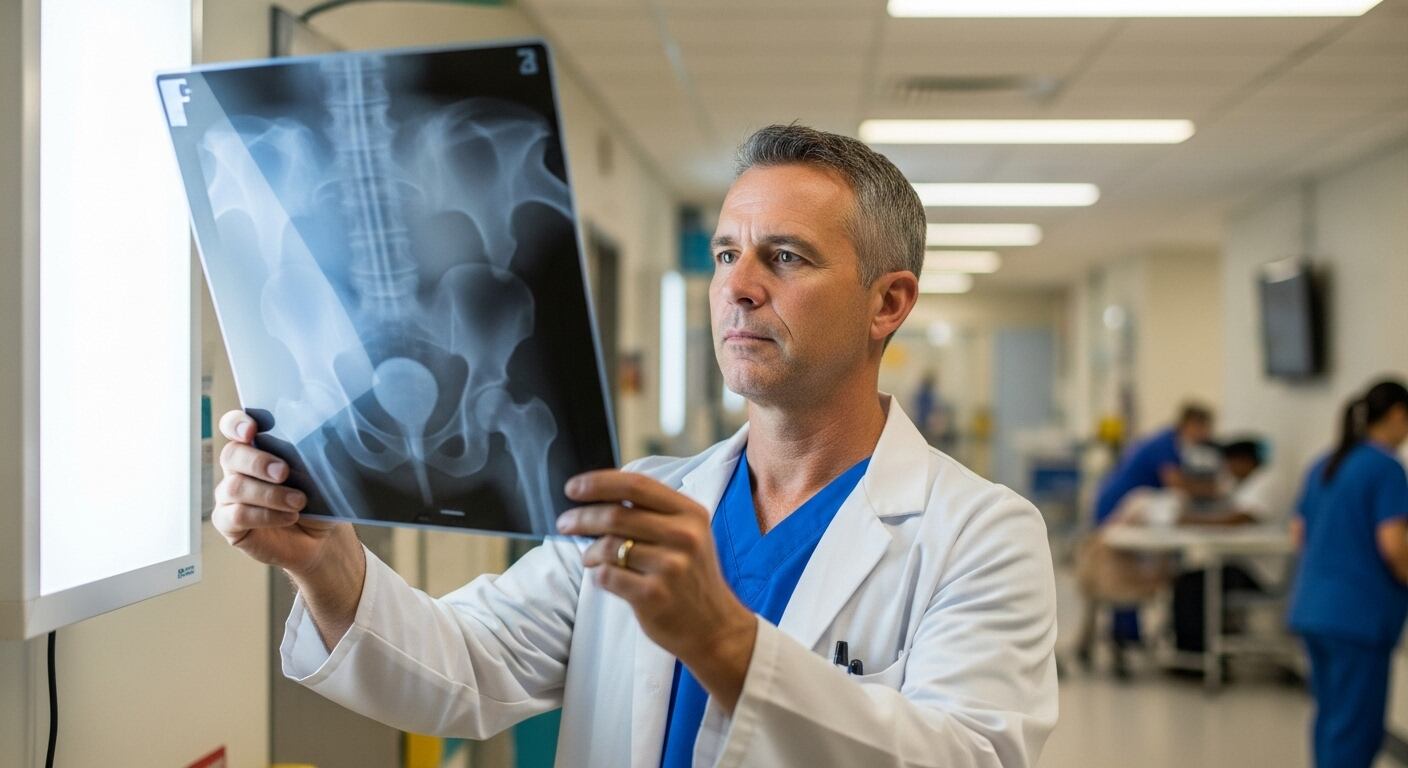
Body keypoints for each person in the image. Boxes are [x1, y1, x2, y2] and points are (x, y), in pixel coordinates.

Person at [212, 125, 1058, 767]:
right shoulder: (641, 499)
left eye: (785, 257)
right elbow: (467, 668)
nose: (738, 286)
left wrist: (724, 641)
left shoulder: (981, 535)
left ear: (888, 303)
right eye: (726, 253)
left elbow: (969, 757)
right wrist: (325, 561)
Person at [1289, 379, 1408, 768]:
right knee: (1356, 730)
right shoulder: (1386, 468)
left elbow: (1298, 534)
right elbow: (1393, 545)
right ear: (1397, 415)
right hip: (1358, 619)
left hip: (1313, 610)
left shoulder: (1325, 464)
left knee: (1331, 720)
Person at [1091, 403, 1217, 674]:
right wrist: (1214, 491)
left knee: (1136, 570)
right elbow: (1176, 483)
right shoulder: (1165, 445)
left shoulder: (1174, 445)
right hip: (1118, 508)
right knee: (1121, 573)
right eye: (1204, 428)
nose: (1207, 435)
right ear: (1190, 424)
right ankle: (1124, 636)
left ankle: (1133, 635)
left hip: (1132, 510)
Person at [1170, 438, 1272, 656]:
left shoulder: (1267, 483)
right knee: (1190, 579)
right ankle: (1192, 652)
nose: (1228, 470)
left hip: (1259, 571)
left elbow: (1238, 519)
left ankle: (1198, 655)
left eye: (1230, 463)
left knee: (1193, 584)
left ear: (1245, 461)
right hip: (1241, 563)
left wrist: (1193, 520)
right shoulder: (1244, 484)